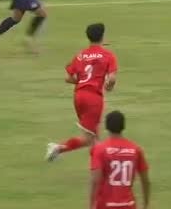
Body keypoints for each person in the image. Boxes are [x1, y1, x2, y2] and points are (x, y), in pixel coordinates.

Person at [47, 23, 119, 161]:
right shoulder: (108, 56)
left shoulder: (81, 55)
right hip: (93, 99)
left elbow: (68, 78)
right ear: (102, 36)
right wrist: (109, 86)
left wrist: (82, 81)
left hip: (79, 97)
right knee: (87, 138)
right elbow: (112, 79)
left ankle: (102, 166)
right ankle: (58, 148)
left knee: (93, 135)